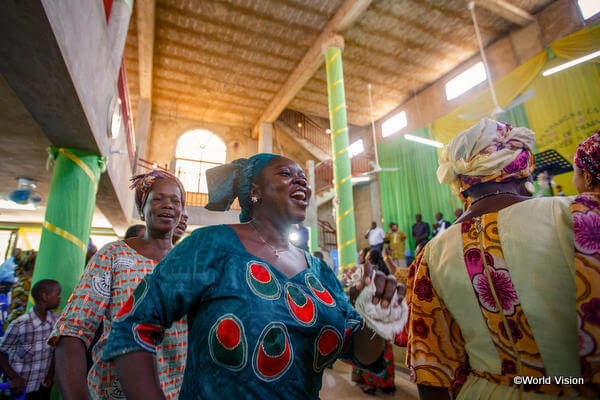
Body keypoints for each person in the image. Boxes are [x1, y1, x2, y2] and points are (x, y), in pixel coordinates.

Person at [102, 154, 406, 399]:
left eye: (302, 176)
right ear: (254, 192)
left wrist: (374, 316)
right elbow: (133, 325)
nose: (301, 179)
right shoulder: (211, 245)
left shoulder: (320, 271)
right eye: (286, 173)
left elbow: (362, 355)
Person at [406, 119, 599, 399]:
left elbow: (431, 369)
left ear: (462, 186)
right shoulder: (577, 214)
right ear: (523, 169)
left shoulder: (431, 255)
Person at [49, 170, 188, 400]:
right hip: (113, 390)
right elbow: (73, 331)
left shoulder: (188, 264)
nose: (168, 205)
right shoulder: (114, 255)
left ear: (182, 211)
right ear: (142, 207)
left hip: (174, 392)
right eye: (158, 199)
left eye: (175, 201)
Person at [0, 279, 61, 399]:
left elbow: (53, 349)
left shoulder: (55, 321)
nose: (60, 298)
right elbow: (1, 352)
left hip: (41, 387)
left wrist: (50, 374)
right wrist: (14, 377)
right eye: (57, 294)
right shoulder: (20, 324)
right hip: (20, 389)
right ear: (45, 296)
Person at [352, 249, 396, 395]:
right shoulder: (383, 274)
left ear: (375, 260)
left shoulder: (372, 274)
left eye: (369, 258)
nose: (366, 261)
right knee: (383, 350)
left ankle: (372, 383)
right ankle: (385, 382)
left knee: (372, 350)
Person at [6, 251, 36, 327]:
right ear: (30, 265)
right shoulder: (23, 284)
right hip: (18, 326)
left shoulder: (29, 281)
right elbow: (16, 312)